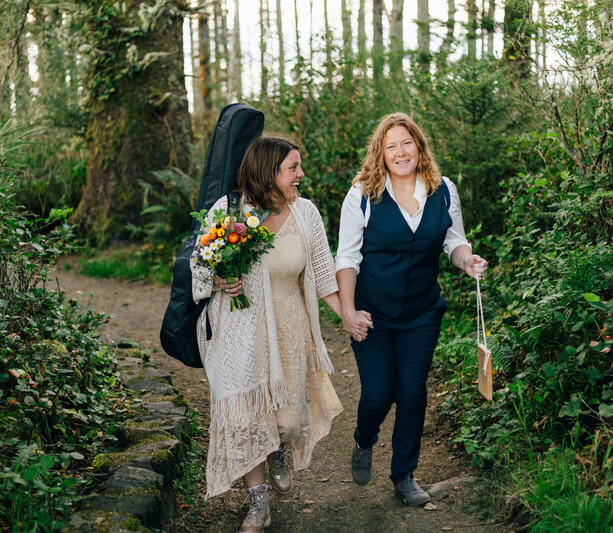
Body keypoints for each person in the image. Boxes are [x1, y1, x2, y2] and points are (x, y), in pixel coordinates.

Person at [192, 135, 368, 532]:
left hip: (290, 327)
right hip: (238, 330)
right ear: (268, 173)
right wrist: (221, 277)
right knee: (245, 417)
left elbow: (324, 275)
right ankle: (258, 505)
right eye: (293, 168)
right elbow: (199, 266)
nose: (301, 175)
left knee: (287, 421)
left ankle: (277, 450)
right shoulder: (230, 210)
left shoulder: (305, 214)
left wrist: (348, 316)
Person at [335, 112, 488, 506]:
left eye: (407, 143)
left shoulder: (444, 190)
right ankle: (364, 439)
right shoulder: (362, 196)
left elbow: (454, 242)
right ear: (380, 154)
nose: (400, 152)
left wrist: (467, 260)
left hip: (421, 312)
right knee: (377, 394)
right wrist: (349, 312)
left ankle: (404, 474)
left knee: (412, 393)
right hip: (373, 313)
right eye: (391, 146)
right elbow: (347, 258)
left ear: (418, 146)